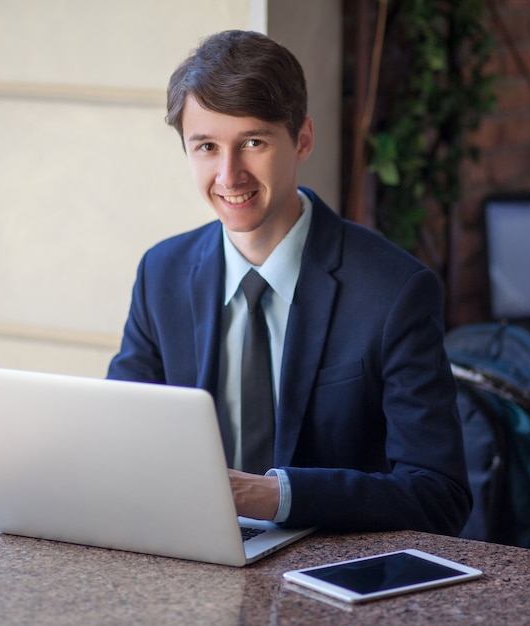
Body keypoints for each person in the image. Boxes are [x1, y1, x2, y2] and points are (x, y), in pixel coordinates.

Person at [108, 30, 471, 534]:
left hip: (327, 578)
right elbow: (118, 440)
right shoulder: (161, 273)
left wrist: (269, 495)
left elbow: (439, 495)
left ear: (302, 139)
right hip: (189, 559)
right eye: (207, 147)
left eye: (252, 142)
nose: (229, 175)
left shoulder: (395, 292)